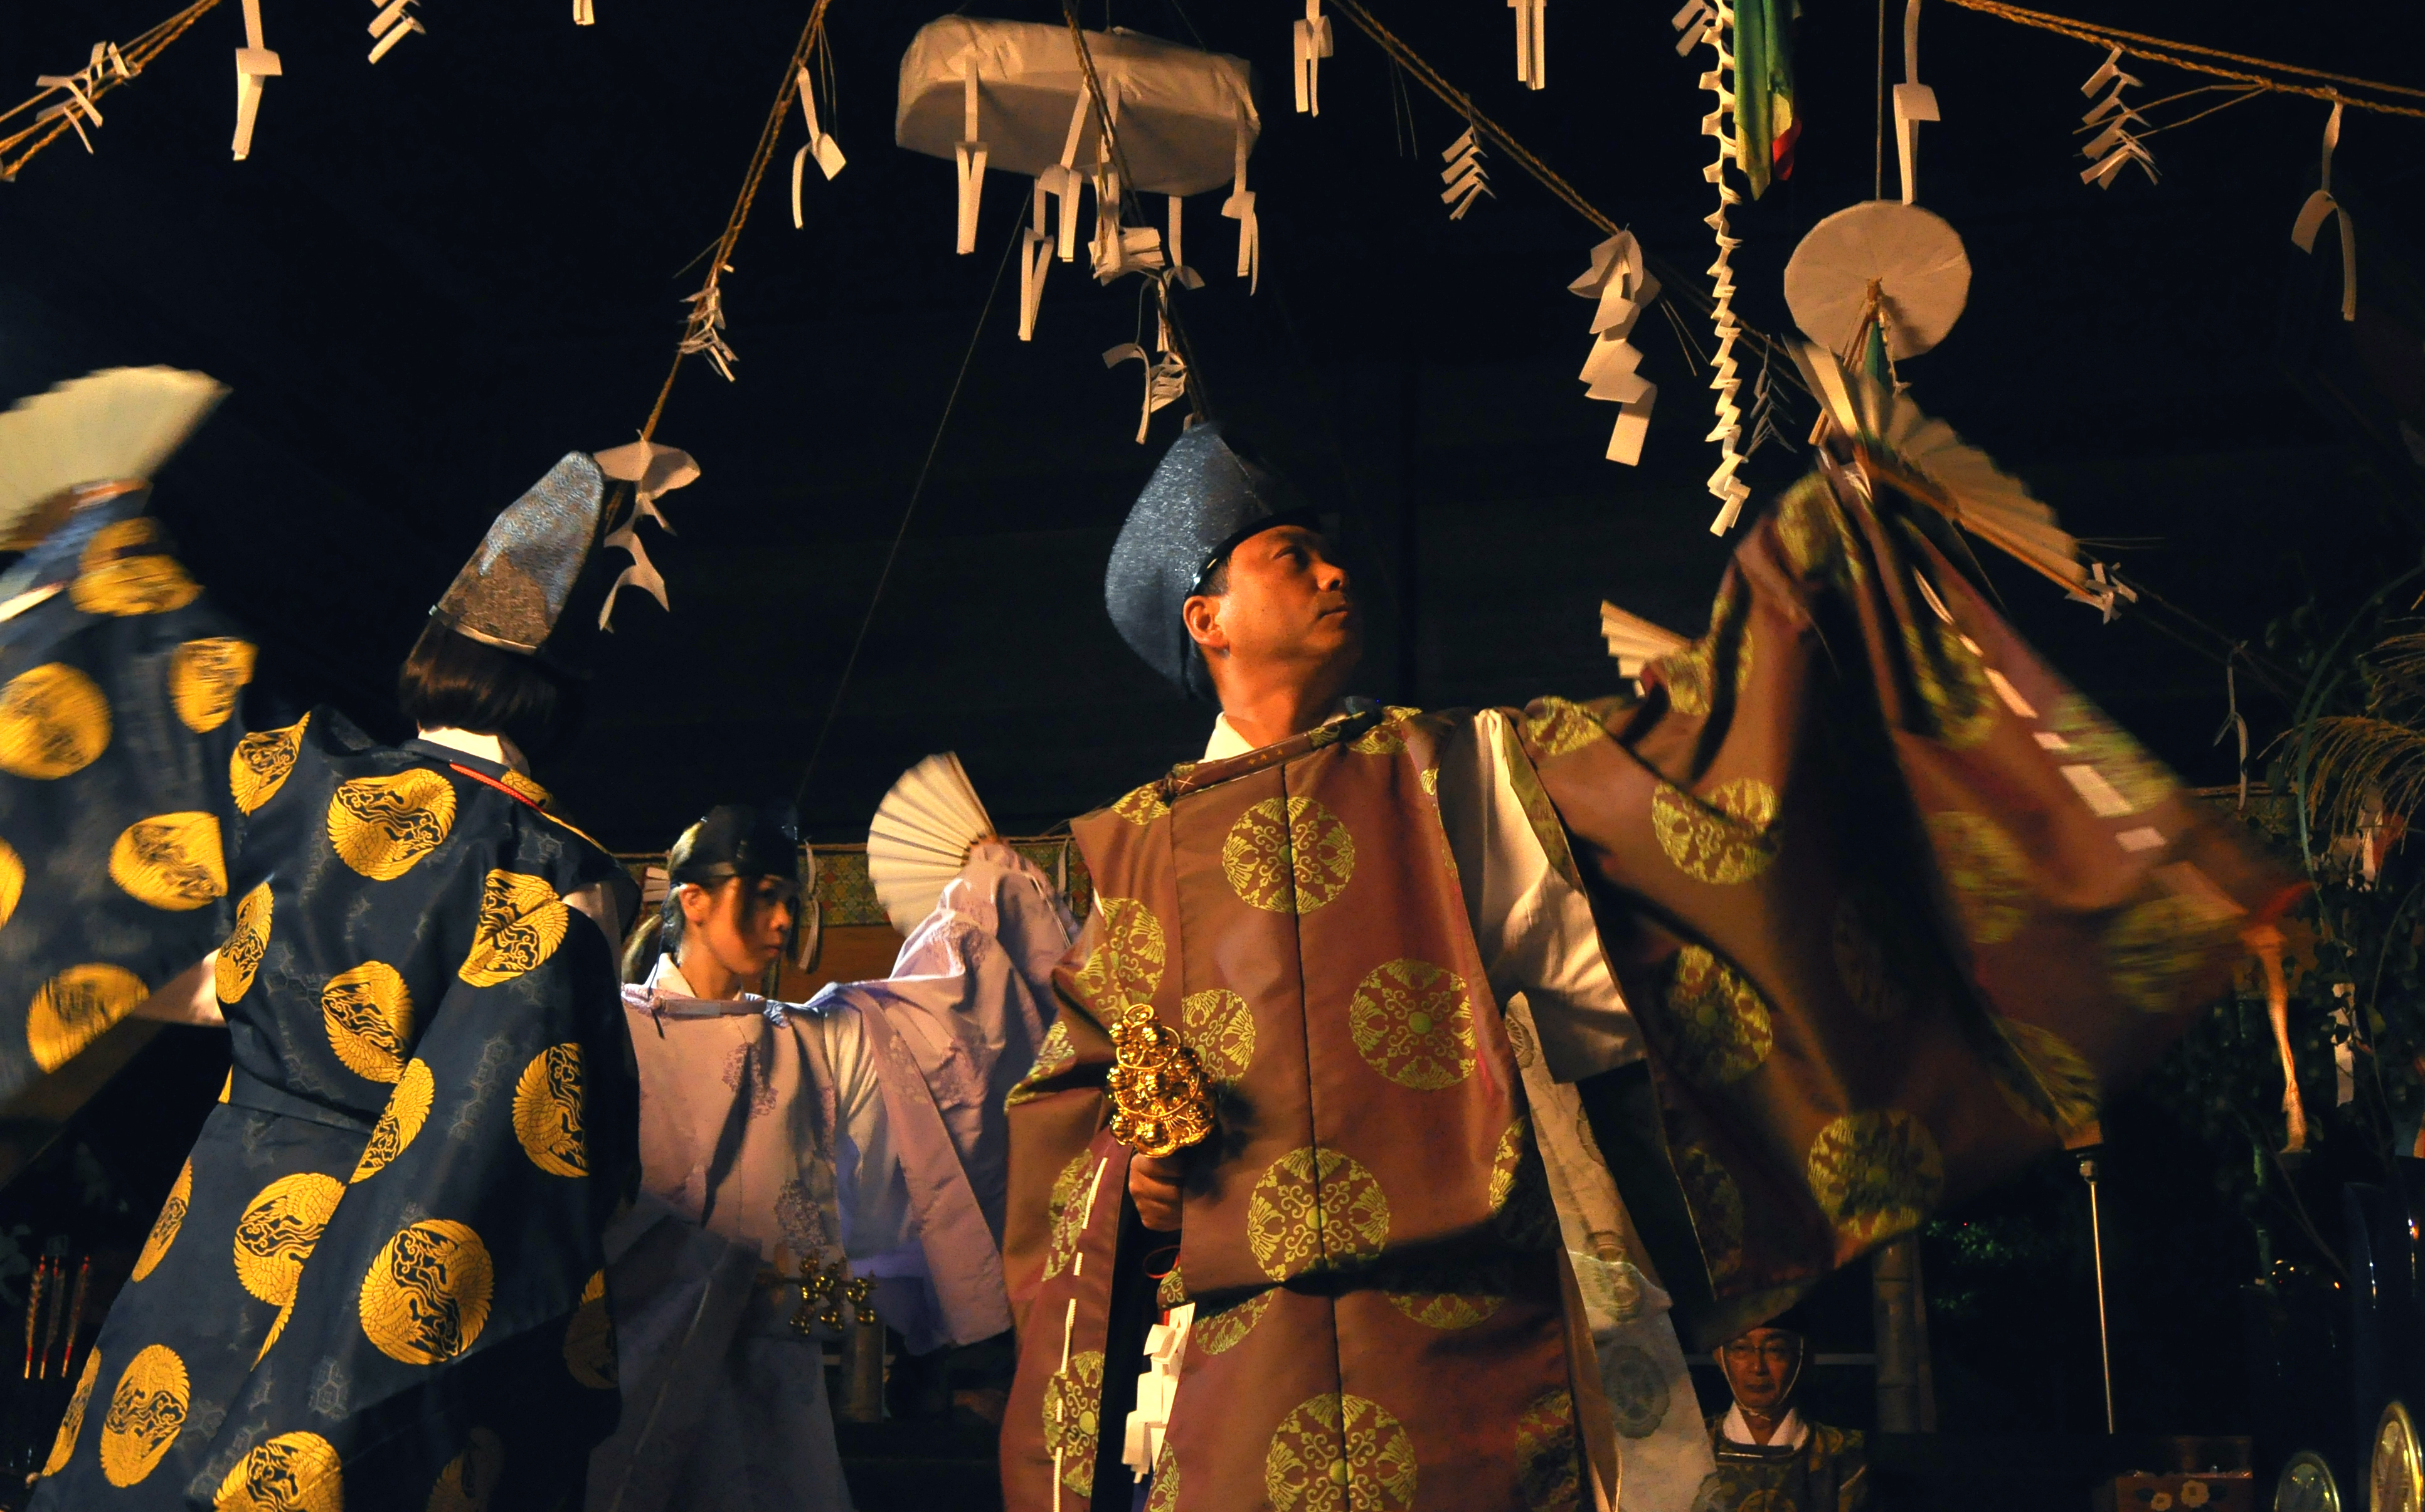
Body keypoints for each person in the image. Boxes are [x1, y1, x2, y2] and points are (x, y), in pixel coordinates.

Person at [1000, 420, 2302, 1512]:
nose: (1339, 571)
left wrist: (1811, 550)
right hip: (1250, 1360)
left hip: (1471, 1346)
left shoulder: (1458, 767)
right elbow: (1076, 1115)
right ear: (1207, 615)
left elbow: (1693, 768)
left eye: (1331, 550)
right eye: (1295, 556)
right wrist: (1143, 1183)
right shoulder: (1133, 844)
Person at [4, 438, 642, 1511]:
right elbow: (540, 1144)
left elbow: (185, 970)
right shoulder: (565, 876)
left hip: (218, 1225)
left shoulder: (288, 773)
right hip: (396, 1240)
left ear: (434, 646)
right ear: (564, 698)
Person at [592, 800, 1072, 1512]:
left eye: (790, 902)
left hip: (772, 1362)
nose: (783, 923)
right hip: (641, 1347)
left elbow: (946, 1017)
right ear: (691, 899)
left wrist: (985, 882)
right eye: (762, 898)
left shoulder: (809, 1039)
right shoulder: (611, 1032)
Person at [1704, 1317, 1868, 1512]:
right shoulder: (1694, 1446)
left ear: (1803, 1358)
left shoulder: (1843, 1453)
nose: (1757, 1367)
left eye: (1775, 1350)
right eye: (1741, 1349)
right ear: (1720, 1357)